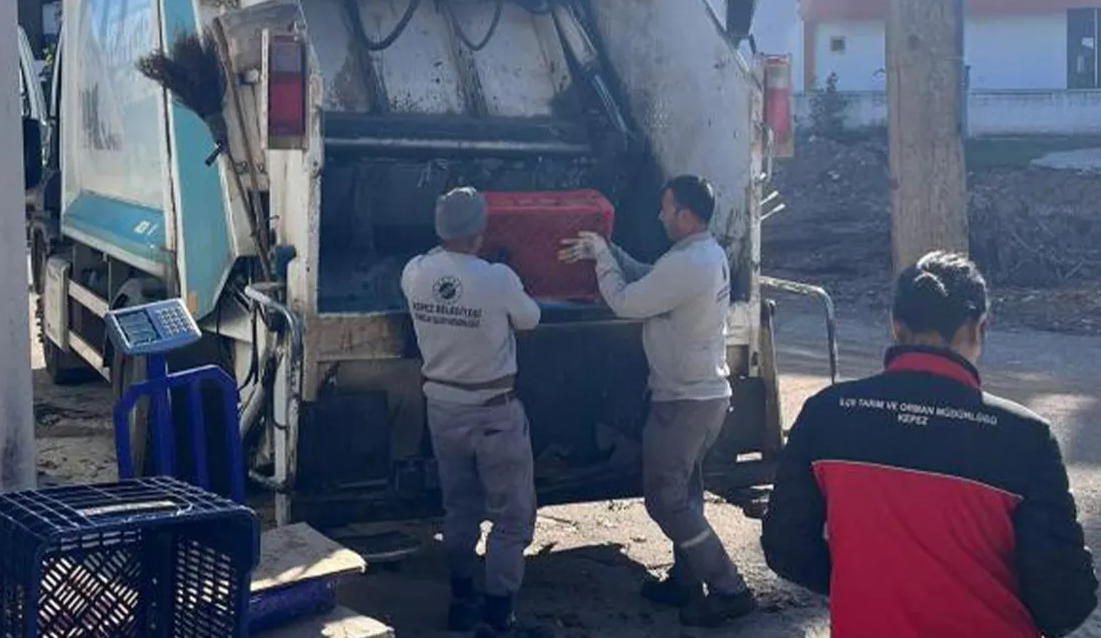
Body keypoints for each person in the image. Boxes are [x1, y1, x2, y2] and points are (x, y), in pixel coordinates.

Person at [762, 251, 1098, 638]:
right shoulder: (1024, 436)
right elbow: (1065, 602)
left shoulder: (827, 414)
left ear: (895, 325)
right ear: (977, 328)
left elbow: (785, 547)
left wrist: (862, 581)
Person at [560, 175, 756, 628]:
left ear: (686, 215)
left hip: (684, 401)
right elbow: (654, 279)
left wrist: (604, 260)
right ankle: (687, 580)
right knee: (685, 493)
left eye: (666, 208)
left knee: (665, 501)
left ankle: (730, 589)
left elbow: (627, 303)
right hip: (702, 395)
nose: (659, 215)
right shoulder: (698, 254)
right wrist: (610, 251)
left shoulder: (691, 263)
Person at [401, 187, 542, 635]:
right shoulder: (497, 278)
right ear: (480, 232)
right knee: (510, 516)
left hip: (442, 408)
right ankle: (499, 617)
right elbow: (531, 319)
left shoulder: (414, 272)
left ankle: (462, 599)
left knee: (459, 509)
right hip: (493, 413)